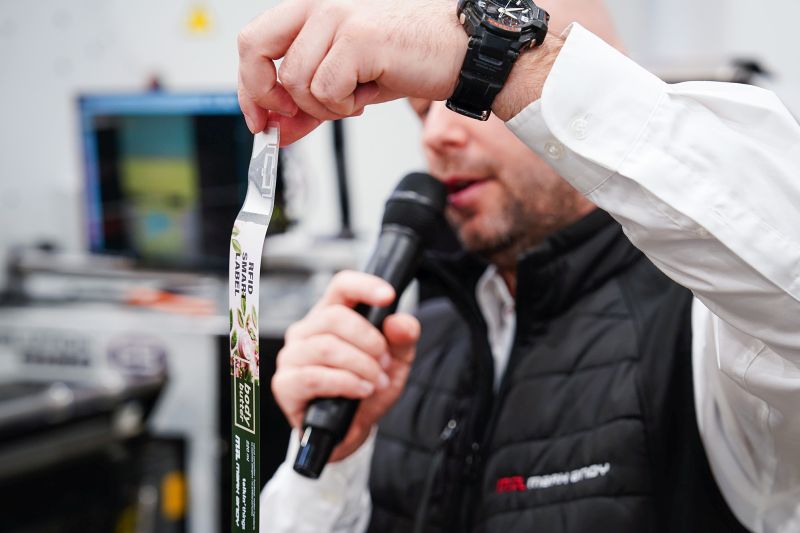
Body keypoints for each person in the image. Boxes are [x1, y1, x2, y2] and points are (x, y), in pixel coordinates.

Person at [239, 0, 800, 531]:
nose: (435, 136)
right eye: (422, 111)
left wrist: (493, 48)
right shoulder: (412, 338)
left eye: (466, 98)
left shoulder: (707, 336)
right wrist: (333, 466)